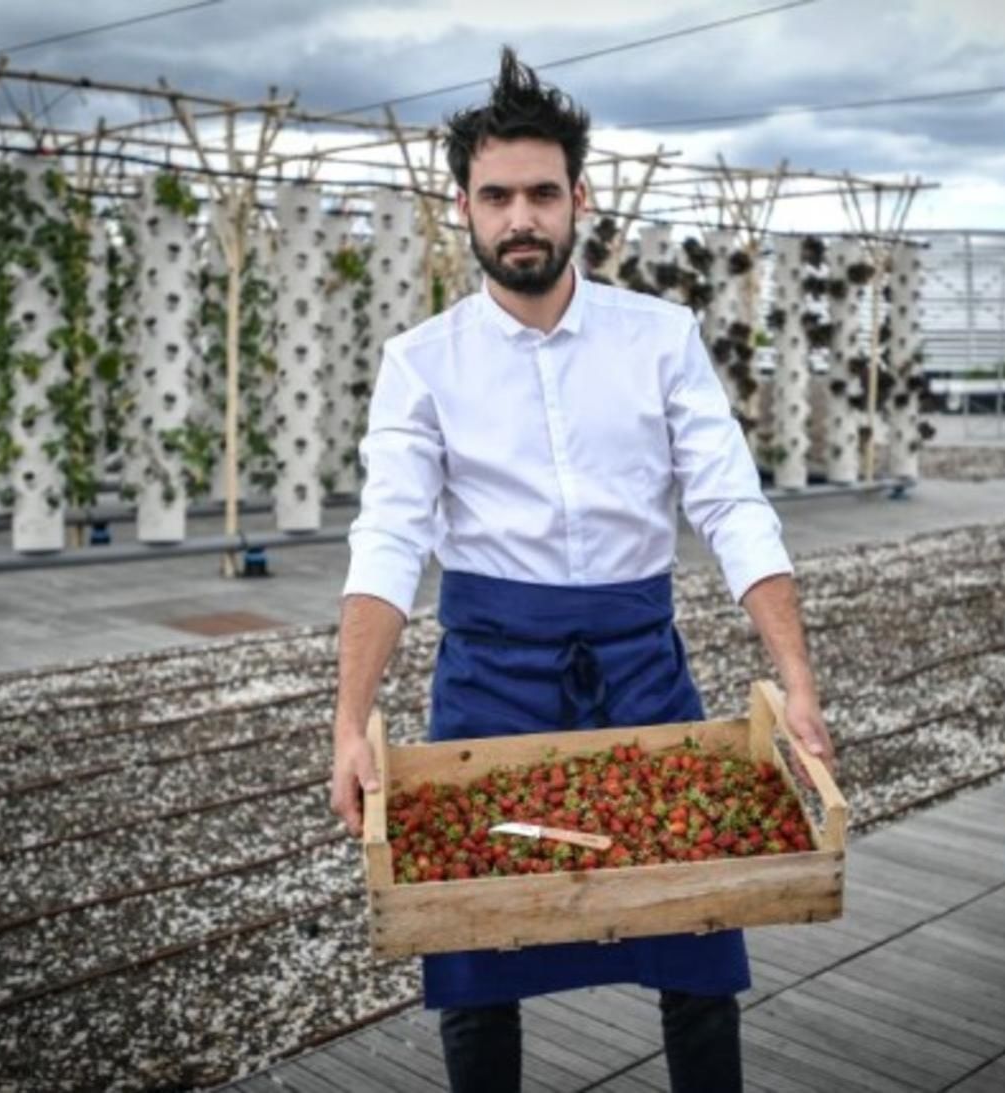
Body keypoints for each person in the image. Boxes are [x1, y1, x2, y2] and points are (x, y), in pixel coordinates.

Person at [330, 46, 835, 1093]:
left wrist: (794, 677)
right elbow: (387, 537)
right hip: (486, 674)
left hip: (638, 661)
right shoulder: (420, 362)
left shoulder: (659, 337)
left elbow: (730, 503)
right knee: (471, 944)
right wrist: (349, 719)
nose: (522, 217)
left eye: (542, 194)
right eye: (497, 195)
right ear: (460, 205)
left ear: (579, 199)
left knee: (697, 920)